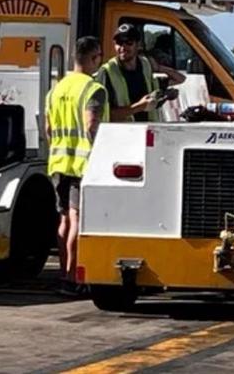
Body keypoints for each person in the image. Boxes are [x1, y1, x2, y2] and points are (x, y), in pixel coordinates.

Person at [45, 36, 108, 296]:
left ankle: (63, 274)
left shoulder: (56, 89)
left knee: (63, 220)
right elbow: (91, 124)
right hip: (83, 164)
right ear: (93, 58)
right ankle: (74, 278)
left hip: (58, 162)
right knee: (77, 221)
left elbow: (48, 128)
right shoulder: (93, 89)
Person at [98, 23, 186, 122]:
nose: (123, 47)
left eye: (129, 42)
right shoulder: (107, 71)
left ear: (138, 45)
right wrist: (139, 107)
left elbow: (180, 79)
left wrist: (159, 68)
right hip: (121, 134)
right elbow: (104, 115)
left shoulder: (145, 66)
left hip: (146, 131)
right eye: (119, 42)